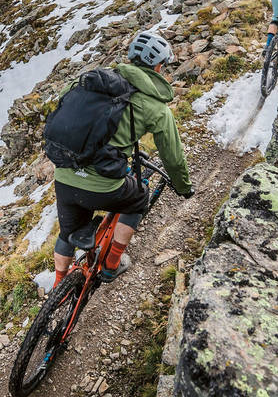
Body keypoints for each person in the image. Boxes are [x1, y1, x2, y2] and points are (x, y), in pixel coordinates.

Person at [51, 31, 193, 285]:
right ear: (158, 66)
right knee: (138, 198)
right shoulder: (156, 108)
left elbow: (64, 95)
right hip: (104, 186)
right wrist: (183, 188)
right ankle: (111, 265)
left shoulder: (96, 81)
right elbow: (172, 157)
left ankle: (58, 286)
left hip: (64, 175)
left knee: (67, 231)